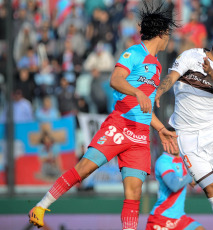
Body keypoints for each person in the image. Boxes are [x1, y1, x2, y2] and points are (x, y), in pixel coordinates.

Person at [28, 2, 178, 229]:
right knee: (84, 169)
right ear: (162, 33)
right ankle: (40, 206)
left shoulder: (156, 66)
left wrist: (160, 128)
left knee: (134, 193)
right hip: (120, 125)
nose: (169, 39)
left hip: (139, 136)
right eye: (168, 34)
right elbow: (115, 79)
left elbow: (145, 107)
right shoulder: (134, 52)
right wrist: (137, 91)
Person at [155, 27, 213, 230]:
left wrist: (210, 71)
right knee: (211, 189)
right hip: (186, 137)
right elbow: (172, 77)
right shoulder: (190, 55)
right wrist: (159, 92)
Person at [146, 128, 205, 230]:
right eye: (170, 139)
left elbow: (196, 178)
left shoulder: (184, 160)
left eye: (175, 139)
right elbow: (174, 185)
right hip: (162, 218)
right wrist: (190, 177)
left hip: (179, 218)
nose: (173, 142)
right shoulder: (163, 161)